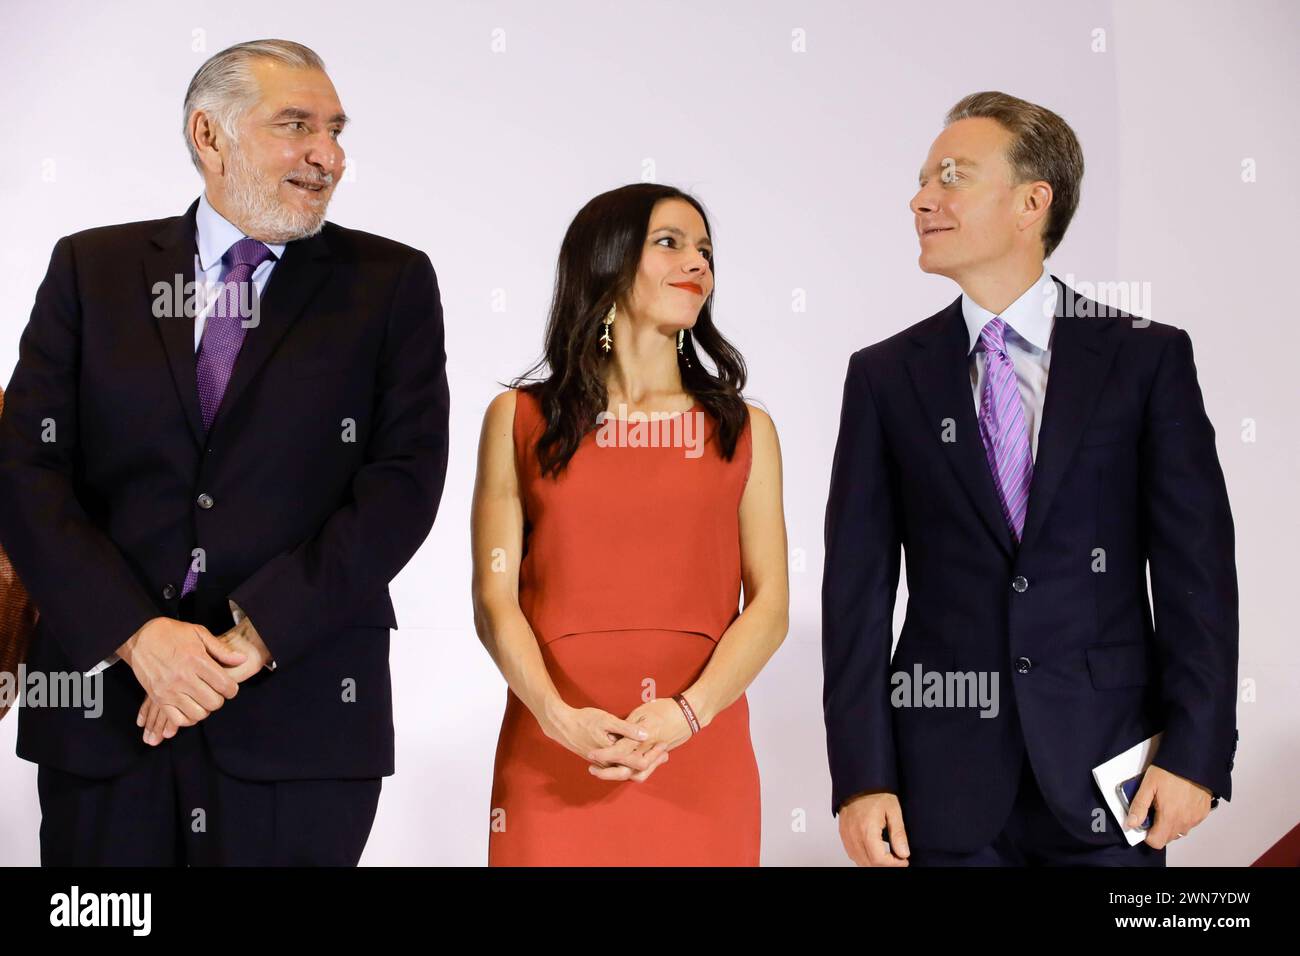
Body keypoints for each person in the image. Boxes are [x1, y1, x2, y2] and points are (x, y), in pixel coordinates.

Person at [0, 39, 449, 865]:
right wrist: (138, 635)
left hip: (299, 719)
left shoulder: (390, 282)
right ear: (210, 135)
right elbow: (26, 473)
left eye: (336, 130)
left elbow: (404, 484)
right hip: (106, 718)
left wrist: (260, 633)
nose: (329, 154)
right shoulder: (89, 268)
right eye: (298, 126)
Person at [822, 91, 1238, 866]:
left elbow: (1198, 574)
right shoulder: (883, 377)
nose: (921, 200)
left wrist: (1198, 755)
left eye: (950, 178)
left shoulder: (1146, 359)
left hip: (1115, 779)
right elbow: (855, 592)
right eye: (921, 182)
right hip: (936, 789)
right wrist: (860, 778)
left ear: (1030, 203)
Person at [471, 184, 789, 865]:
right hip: (551, 752)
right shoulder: (517, 421)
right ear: (607, 261)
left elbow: (770, 609)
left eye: (705, 249)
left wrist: (687, 715)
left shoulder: (747, 430)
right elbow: (494, 601)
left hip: (701, 756)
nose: (697, 263)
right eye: (670, 242)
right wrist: (559, 721)